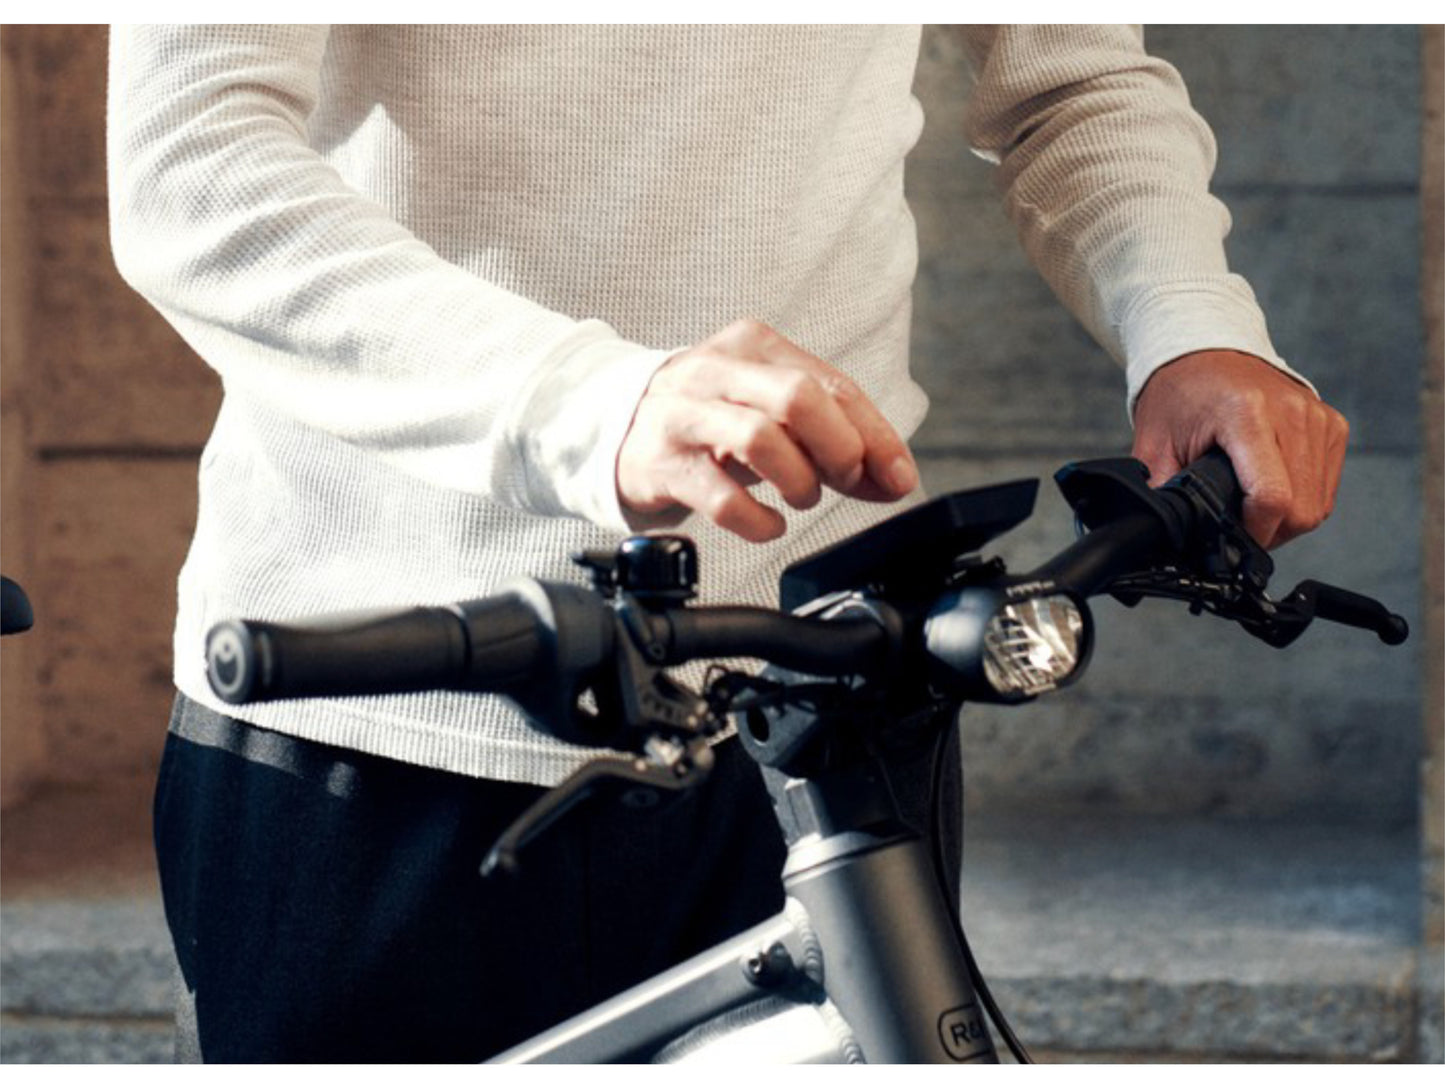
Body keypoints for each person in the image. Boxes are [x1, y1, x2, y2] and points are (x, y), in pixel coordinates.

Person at [108, 25, 1347, 1062]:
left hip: (831, 712)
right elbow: (192, 163)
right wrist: (587, 400)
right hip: (376, 706)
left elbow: (1071, 82)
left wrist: (1192, 325)